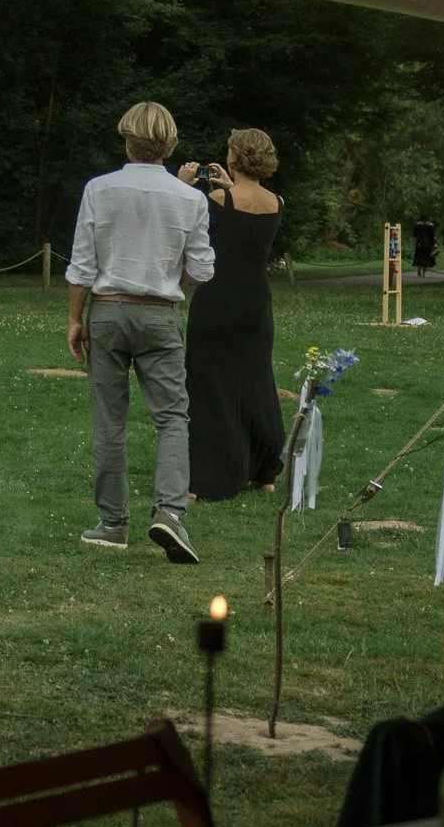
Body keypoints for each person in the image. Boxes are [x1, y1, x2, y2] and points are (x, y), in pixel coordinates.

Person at [66, 101, 213, 562]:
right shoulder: (190, 198)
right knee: (171, 417)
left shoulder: (99, 189)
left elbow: (82, 264)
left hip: (107, 311)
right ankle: (169, 513)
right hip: (160, 312)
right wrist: (173, 278)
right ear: (170, 144)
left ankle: (112, 523)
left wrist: (75, 319)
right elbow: (202, 269)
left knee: (110, 419)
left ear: (126, 138)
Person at [178, 127, 285, 502]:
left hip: (218, 300)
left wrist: (185, 186)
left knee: (209, 385)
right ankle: (265, 469)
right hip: (257, 304)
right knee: (255, 380)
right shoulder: (276, 202)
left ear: (234, 158)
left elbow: (198, 226)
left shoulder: (220, 200)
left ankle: (209, 476)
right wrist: (224, 187)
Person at [413, 214, 437, 279]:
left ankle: (419, 270)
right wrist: (434, 243)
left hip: (419, 243)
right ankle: (424, 273)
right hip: (428, 243)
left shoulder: (417, 225)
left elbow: (414, 234)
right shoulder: (430, 225)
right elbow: (432, 236)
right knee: (426, 258)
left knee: (419, 257)